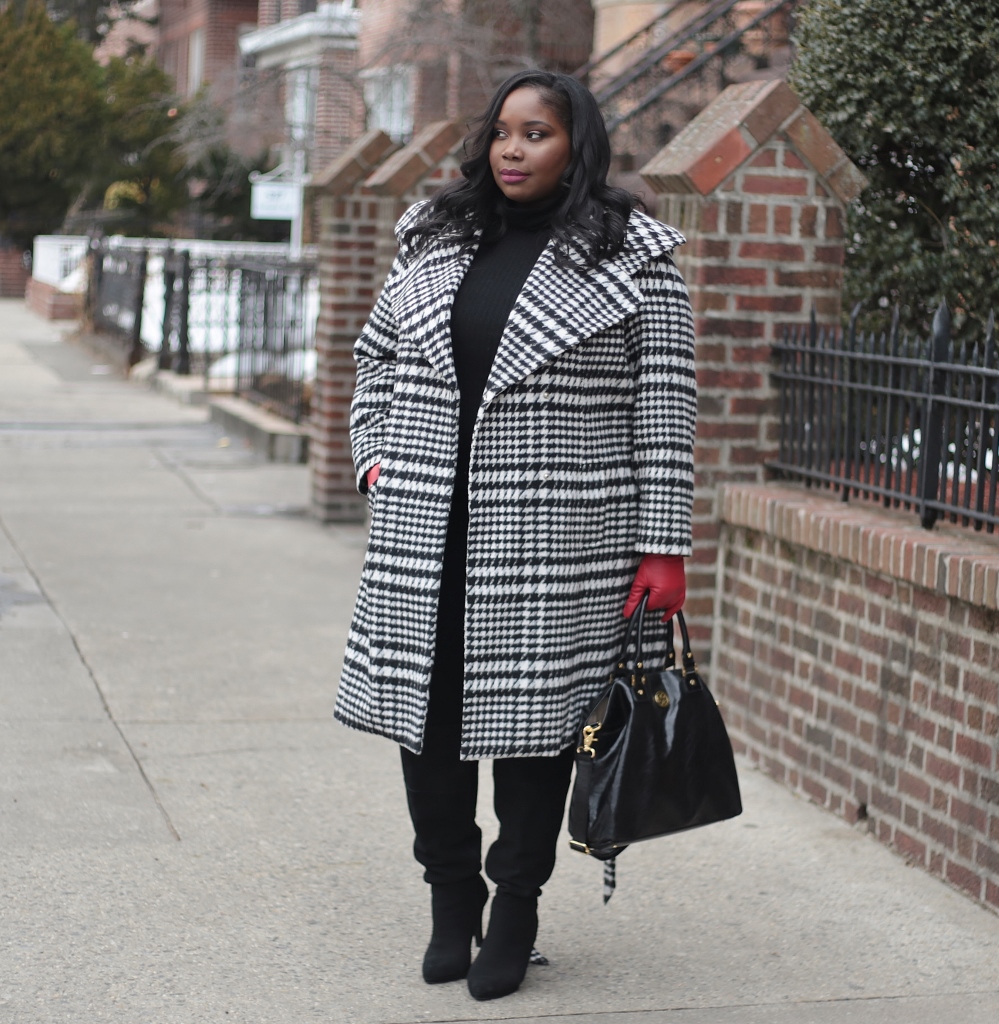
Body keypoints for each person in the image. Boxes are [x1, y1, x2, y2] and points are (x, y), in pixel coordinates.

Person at [336, 69, 696, 1001]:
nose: (511, 149)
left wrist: (662, 548)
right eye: (501, 131)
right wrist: (376, 458)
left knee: (536, 738)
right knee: (427, 725)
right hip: (425, 531)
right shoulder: (434, 234)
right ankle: (450, 898)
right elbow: (374, 359)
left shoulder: (636, 257)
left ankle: (518, 906)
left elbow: (664, 414)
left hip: (556, 543)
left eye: (535, 133)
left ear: (577, 143)